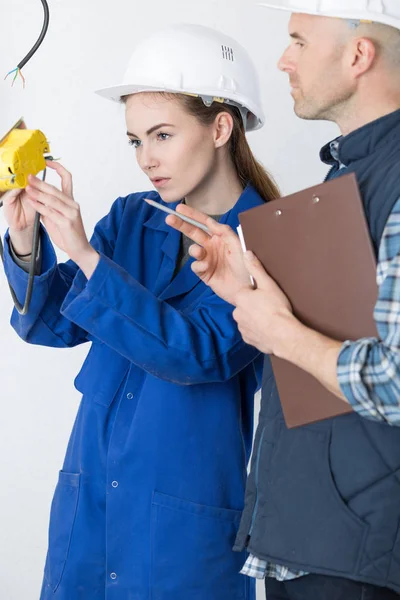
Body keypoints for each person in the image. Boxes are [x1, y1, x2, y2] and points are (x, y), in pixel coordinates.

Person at [0, 23, 280, 600]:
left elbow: (195, 351)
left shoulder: (267, 240)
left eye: (162, 135)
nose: (146, 159)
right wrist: (28, 241)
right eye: (135, 141)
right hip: (93, 500)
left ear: (221, 127)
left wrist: (82, 251)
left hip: (184, 519)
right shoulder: (135, 217)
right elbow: (51, 321)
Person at [165, 3, 400, 599]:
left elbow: (396, 379)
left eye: (298, 40)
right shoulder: (350, 175)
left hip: (361, 555)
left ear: (358, 55)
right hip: (308, 542)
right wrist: (247, 289)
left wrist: (280, 332)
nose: (283, 59)